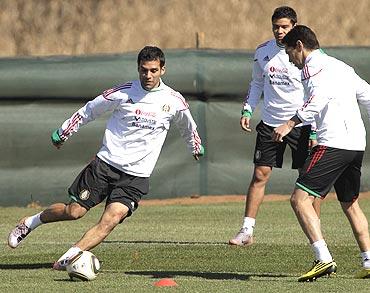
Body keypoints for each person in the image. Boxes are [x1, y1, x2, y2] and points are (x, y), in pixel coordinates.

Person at [8, 46, 205, 270]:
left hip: (136, 176)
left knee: (111, 219)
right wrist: (64, 131)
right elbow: (89, 109)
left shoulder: (174, 100)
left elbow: (188, 127)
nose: (148, 76)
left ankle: (69, 257)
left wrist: (195, 147)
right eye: (143, 70)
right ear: (138, 69)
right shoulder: (122, 93)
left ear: (163, 70)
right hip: (105, 165)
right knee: (74, 212)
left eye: (153, 70)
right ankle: (31, 222)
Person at [273, 25, 370, 281]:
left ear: (300, 47)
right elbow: (368, 95)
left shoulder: (311, 68)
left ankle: (323, 259)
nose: (291, 60)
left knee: (299, 199)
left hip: (333, 143)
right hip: (355, 144)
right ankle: (369, 262)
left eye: (290, 53)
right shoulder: (341, 66)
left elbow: (317, 100)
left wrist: (289, 123)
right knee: (350, 204)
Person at [229, 6, 320, 246]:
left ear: (294, 27)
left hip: (301, 124)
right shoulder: (262, 51)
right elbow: (257, 83)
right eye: (275, 27)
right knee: (260, 174)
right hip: (270, 123)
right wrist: (248, 108)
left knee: (308, 179)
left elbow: (316, 93)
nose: (279, 31)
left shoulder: (307, 54)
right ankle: (247, 230)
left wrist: (315, 128)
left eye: (284, 27)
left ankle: (316, 230)